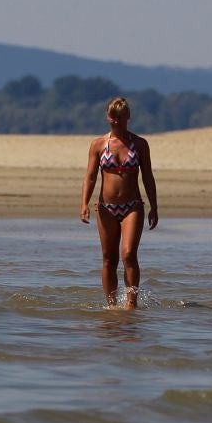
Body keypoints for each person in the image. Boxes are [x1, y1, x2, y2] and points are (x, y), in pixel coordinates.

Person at [81, 97, 158, 309]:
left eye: (121, 118)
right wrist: (84, 203)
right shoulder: (98, 144)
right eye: (113, 117)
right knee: (109, 258)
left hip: (132, 207)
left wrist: (154, 207)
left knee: (129, 254)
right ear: (108, 117)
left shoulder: (140, 144)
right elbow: (90, 177)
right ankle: (111, 305)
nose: (117, 122)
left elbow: (148, 177)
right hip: (106, 208)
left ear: (128, 117)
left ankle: (131, 304)